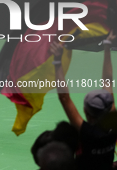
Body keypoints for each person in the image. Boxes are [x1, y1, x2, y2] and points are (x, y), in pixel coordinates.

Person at [49, 30, 117, 170]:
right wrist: (107, 46)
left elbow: (64, 97)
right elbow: (108, 81)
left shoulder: (86, 132)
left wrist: (57, 61)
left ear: (86, 112)